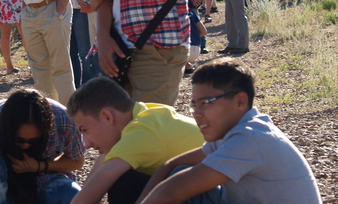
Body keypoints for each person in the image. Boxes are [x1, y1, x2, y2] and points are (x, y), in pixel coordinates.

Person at [136, 58, 322, 204]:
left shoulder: (250, 137)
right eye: (194, 105)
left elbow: (169, 194)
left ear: (240, 101)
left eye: (204, 103)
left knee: (178, 190)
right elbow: (170, 165)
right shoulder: (229, 131)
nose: (197, 114)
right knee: (179, 173)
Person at [67, 77, 204, 204]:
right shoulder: (147, 114)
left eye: (85, 130)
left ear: (107, 116)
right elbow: (97, 173)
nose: (86, 143)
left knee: (124, 184)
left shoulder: (142, 133)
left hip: (213, 195)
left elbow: (85, 199)